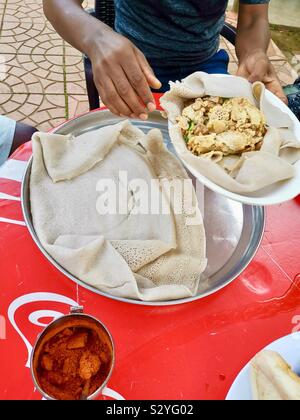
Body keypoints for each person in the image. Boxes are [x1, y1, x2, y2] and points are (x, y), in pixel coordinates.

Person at [44, 0, 288, 120]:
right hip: (134, 71)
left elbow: (254, 17)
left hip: (206, 70)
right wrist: (96, 38)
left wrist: (255, 52)